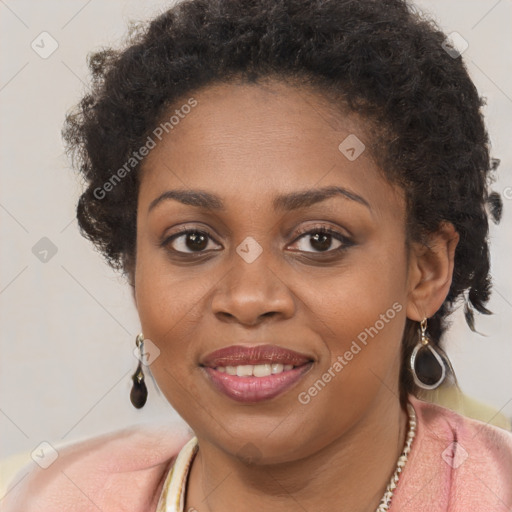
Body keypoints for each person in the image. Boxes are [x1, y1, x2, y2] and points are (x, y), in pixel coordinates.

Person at [2, 0, 512, 510]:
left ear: (426, 272)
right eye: (193, 240)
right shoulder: (45, 496)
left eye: (319, 240)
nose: (248, 299)